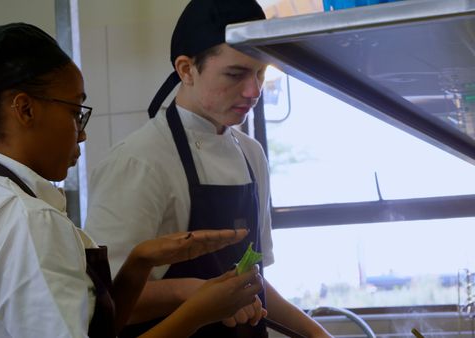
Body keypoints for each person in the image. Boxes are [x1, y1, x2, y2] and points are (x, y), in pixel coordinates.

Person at [0, 22, 266, 338]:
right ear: (25, 110)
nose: (83, 133)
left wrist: (139, 263)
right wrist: (197, 313)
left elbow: (93, 329)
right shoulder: (27, 221)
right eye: (75, 112)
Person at [85, 1, 333, 337]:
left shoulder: (251, 153)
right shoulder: (138, 161)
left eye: (260, 73)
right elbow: (106, 304)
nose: (254, 91)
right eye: (236, 74)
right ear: (186, 70)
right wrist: (197, 292)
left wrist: (318, 333)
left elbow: (254, 282)